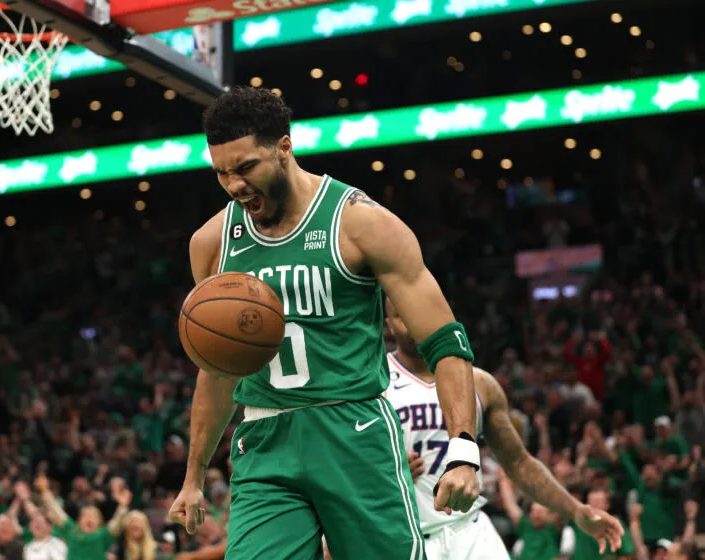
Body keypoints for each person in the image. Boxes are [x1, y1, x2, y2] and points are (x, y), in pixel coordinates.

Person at [168, 86, 482, 560]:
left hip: (352, 428)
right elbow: (218, 367)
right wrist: (193, 477)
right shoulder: (211, 243)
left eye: (246, 167)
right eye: (222, 173)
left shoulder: (359, 222)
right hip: (264, 436)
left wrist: (463, 447)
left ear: (284, 148)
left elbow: (444, 339)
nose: (234, 184)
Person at [382, 297, 624, 559]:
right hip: (405, 537)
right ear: (389, 326)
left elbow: (519, 463)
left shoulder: (480, 382)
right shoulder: (373, 382)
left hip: (471, 533)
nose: (414, 319)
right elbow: (341, 465)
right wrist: (384, 470)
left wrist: (576, 510)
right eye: (402, 314)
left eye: (420, 307)